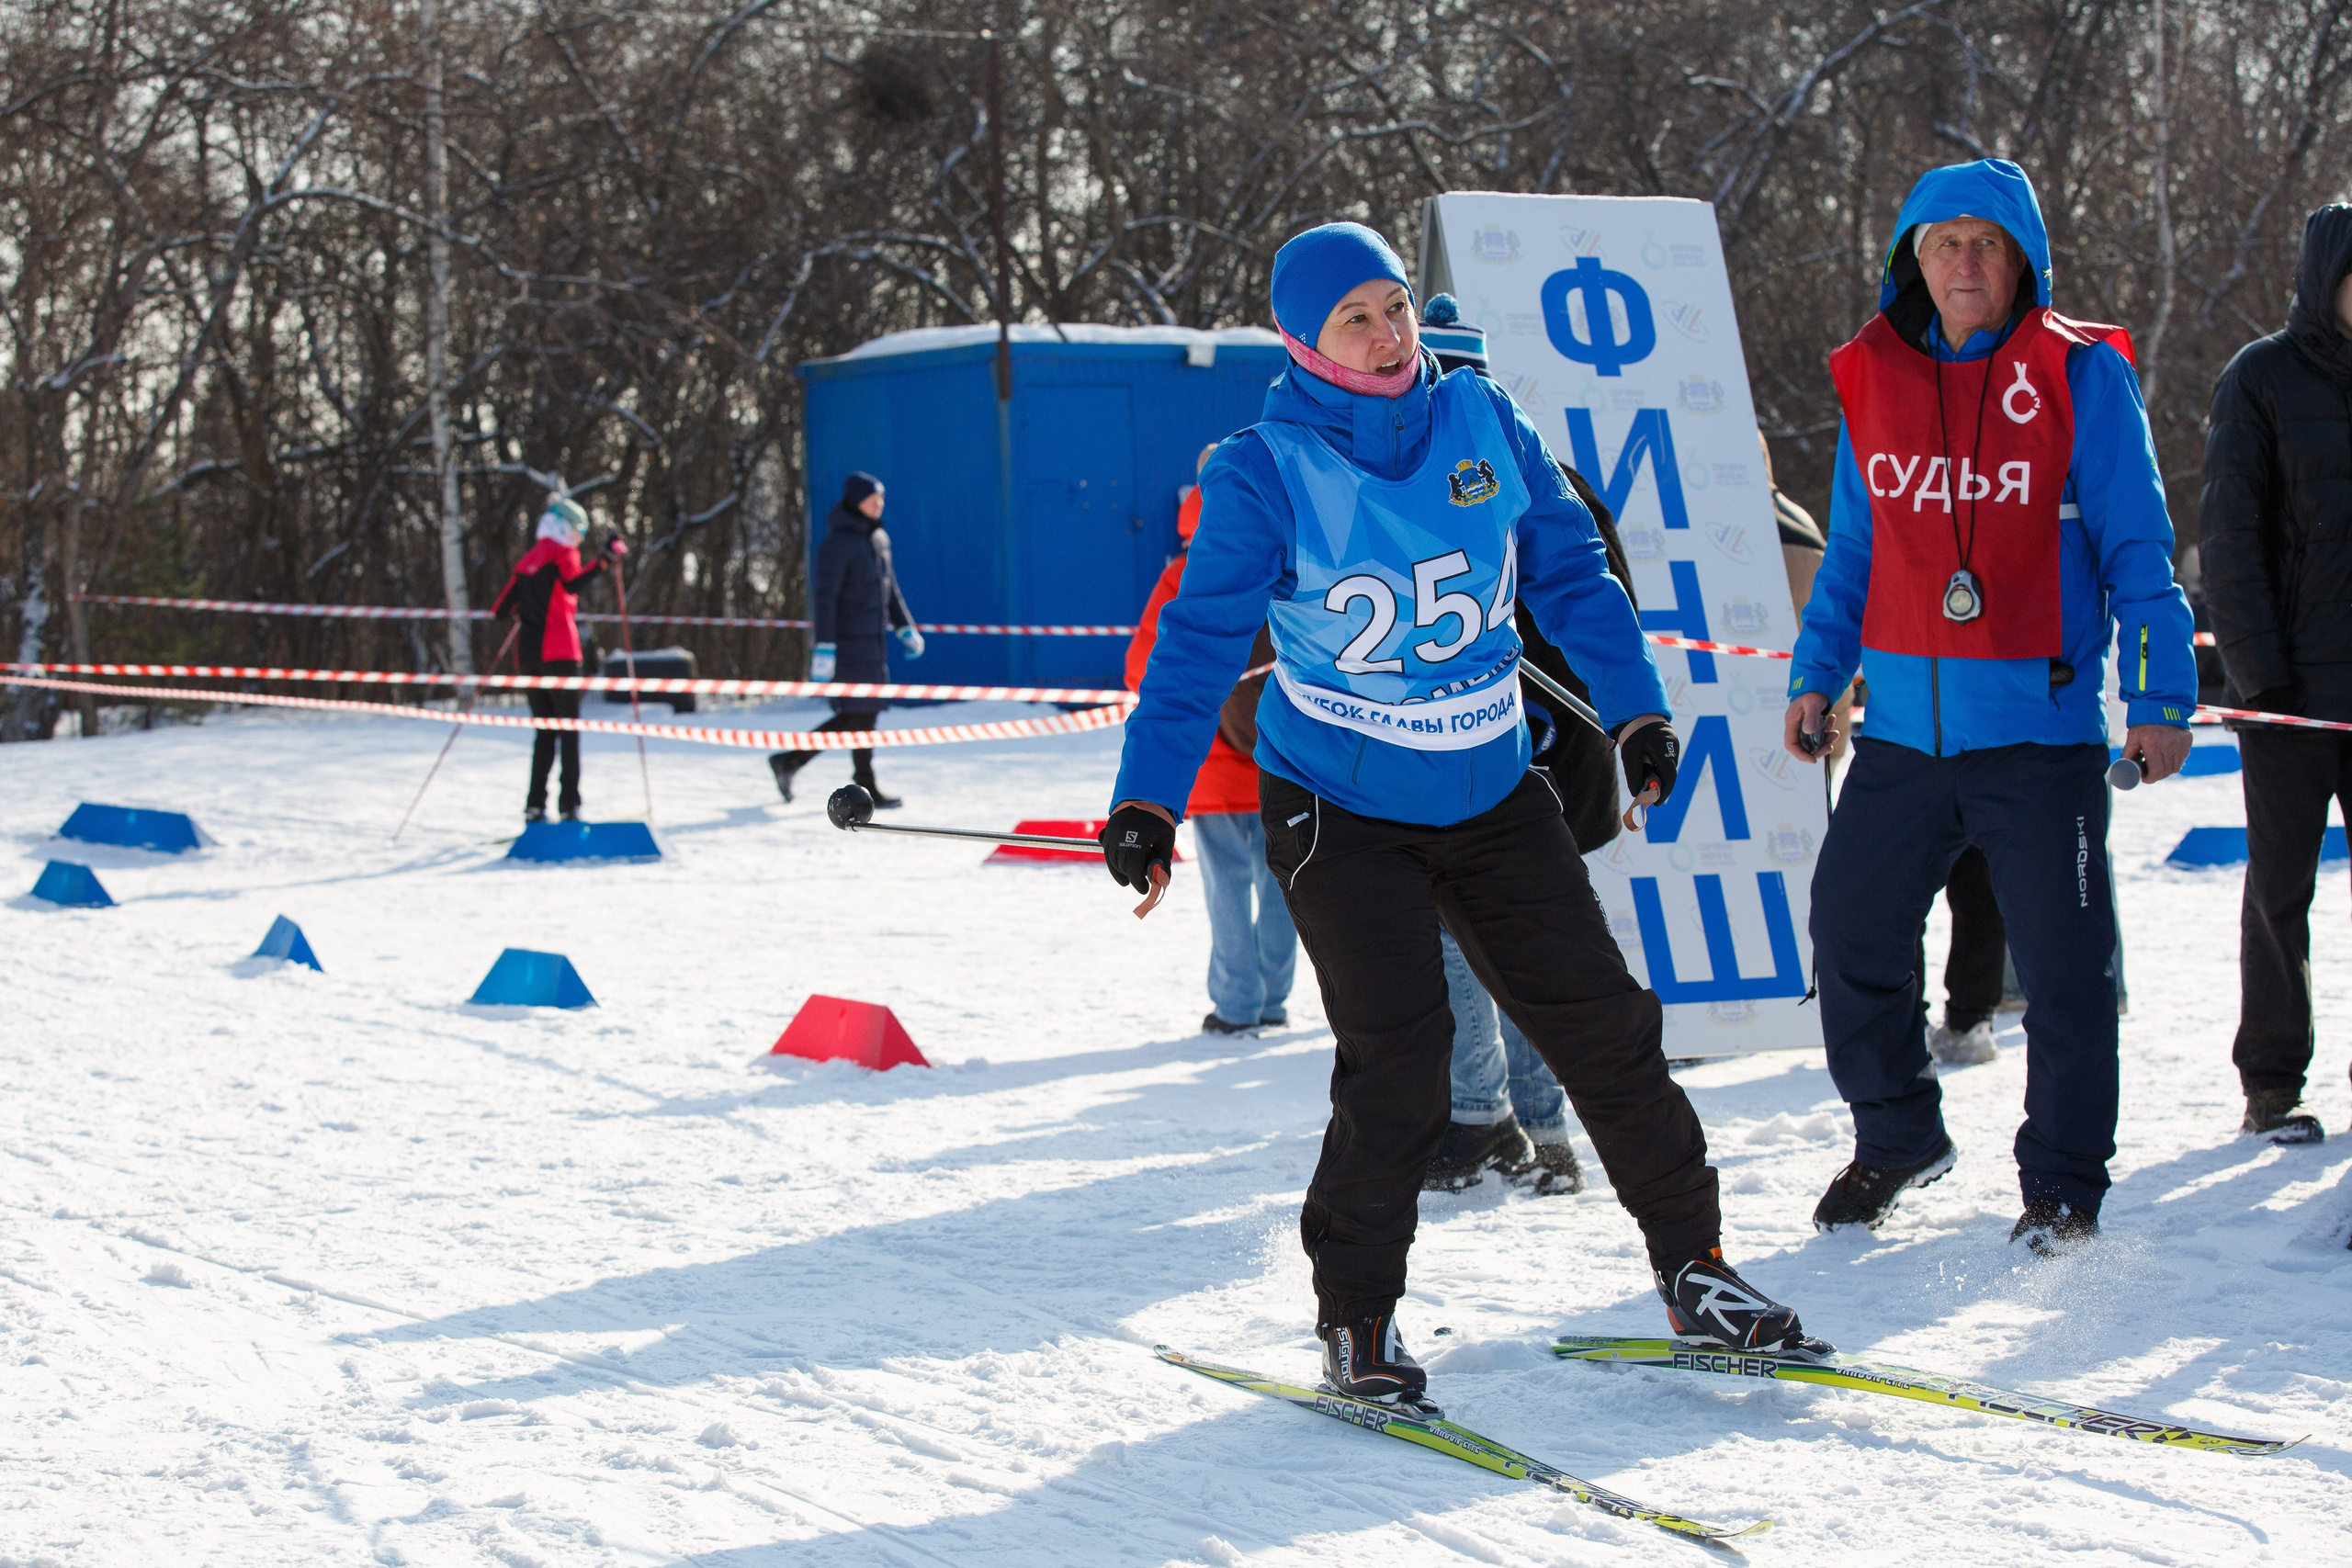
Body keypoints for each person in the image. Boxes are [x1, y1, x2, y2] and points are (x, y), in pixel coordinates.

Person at [1098, 221, 1824, 1409]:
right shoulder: (1262, 466)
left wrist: (1633, 712)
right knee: (1402, 1061)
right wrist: (1145, 795)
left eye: (1393, 306)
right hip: (1340, 801)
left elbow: (1572, 573)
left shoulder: (1484, 417)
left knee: (1608, 1026)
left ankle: (1699, 1269)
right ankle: (1358, 1316)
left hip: (1490, 784)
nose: (1388, 337)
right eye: (1357, 320)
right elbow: (1195, 648)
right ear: (1304, 341)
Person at [1784, 159, 2196, 1255]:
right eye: (1942, 241)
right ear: (1909, 260)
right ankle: (1898, 1136)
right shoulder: (1873, 378)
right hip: (1904, 738)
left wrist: (2157, 694)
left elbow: (2137, 550)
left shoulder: (2080, 375)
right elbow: (1855, 552)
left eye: (1986, 242)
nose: (1964, 261)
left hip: (2039, 735)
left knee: (2062, 976)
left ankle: (2063, 1183)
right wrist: (1815, 674)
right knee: (1850, 930)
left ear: (2021, 261)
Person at [2199, 203, 2352, 1147]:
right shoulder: (2259, 378)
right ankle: (2270, 1082)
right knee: (2279, 890)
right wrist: (2262, 681)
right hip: (2291, 697)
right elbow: (2229, 541)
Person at [1126, 444, 1299, 1037]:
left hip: (1209, 765)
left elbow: (1140, 668)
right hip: (1284, 757)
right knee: (1282, 878)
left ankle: (1236, 1004)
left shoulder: (1182, 575)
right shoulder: (1287, 565)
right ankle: (1275, 997)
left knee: (1227, 883)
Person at [770, 472, 923, 809]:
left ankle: (796, 764)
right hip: (848, 644)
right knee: (857, 716)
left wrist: (905, 628)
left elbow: (890, 590)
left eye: (881, 499)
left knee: (863, 716)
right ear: (856, 501)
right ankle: (807, 766)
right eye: (872, 499)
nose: (879, 505)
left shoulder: (879, 539)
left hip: (874, 643)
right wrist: (825, 646)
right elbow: (825, 598)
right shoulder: (837, 544)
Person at [491, 494, 623, 823]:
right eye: (578, 532)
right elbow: (573, 582)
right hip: (561, 653)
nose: (578, 539)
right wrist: (604, 560)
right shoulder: (563, 553)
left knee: (545, 733)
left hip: (530, 656)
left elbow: (500, 610)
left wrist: (526, 605)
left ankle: (535, 805)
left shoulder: (528, 560)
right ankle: (569, 806)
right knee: (568, 731)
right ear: (566, 529)